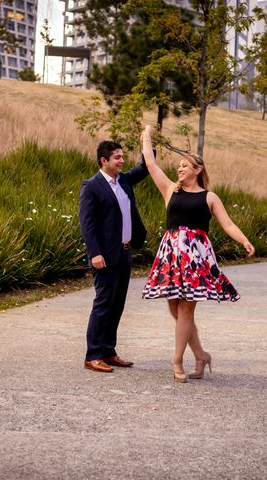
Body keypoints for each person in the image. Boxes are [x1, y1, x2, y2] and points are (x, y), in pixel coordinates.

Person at [140, 125, 255, 383]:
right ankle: (201, 355)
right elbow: (150, 163)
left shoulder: (209, 197)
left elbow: (228, 224)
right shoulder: (170, 190)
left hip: (195, 258)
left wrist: (244, 240)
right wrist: (146, 133)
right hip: (171, 255)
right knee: (176, 310)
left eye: (184, 165)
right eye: (178, 166)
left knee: (186, 310)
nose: (179, 169)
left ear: (197, 170)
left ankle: (177, 360)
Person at [78, 140, 150, 373]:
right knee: (103, 303)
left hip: (125, 252)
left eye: (122, 156)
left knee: (117, 304)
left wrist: (147, 142)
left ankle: (109, 351)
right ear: (104, 160)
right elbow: (87, 225)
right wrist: (95, 253)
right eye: (117, 157)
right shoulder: (91, 186)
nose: (122, 160)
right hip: (105, 256)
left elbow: (145, 167)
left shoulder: (124, 181)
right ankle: (93, 355)